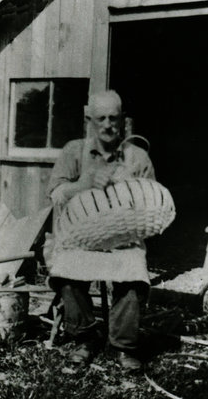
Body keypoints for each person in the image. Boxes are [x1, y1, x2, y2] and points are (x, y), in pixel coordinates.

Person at [47, 90, 155, 370]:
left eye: (113, 118)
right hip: (81, 238)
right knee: (67, 271)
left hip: (123, 240)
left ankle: (122, 346)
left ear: (122, 120)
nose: (107, 124)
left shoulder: (138, 157)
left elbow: (152, 208)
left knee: (134, 272)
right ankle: (85, 337)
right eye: (101, 118)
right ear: (89, 120)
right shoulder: (74, 150)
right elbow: (56, 195)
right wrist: (85, 183)